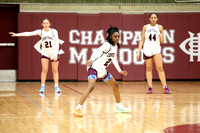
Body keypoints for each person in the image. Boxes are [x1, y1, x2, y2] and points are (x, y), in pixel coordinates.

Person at [73, 26, 132, 117]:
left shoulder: (115, 47)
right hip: (94, 68)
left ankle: (119, 106)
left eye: (118, 36)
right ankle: (78, 109)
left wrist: (120, 71)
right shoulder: (106, 45)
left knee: (115, 85)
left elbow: (114, 59)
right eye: (115, 36)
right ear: (110, 37)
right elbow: (96, 52)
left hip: (102, 70)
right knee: (91, 86)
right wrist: (91, 60)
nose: (117, 38)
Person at [9, 18, 61, 93]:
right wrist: (16, 34)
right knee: (44, 70)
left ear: (49, 24)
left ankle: (56, 86)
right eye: (44, 23)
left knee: (55, 70)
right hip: (45, 52)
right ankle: (42, 86)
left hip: (53, 52)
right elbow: (28, 33)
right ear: (42, 24)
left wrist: (56, 53)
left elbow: (57, 43)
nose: (46, 24)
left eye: (47, 23)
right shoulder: (40, 32)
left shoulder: (54, 31)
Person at [136, 13, 171, 94]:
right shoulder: (145, 27)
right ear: (149, 19)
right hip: (147, 49)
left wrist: (161, 37)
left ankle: (165, 87)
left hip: (156, 49)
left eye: (155, 17)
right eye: (151, 17)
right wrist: (138, 51)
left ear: (157, 19)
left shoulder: (160, 27)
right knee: (149, 69)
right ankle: (150, 87)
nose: (153, 19)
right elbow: (142, 40)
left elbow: (162, 41)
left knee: (160, 68)